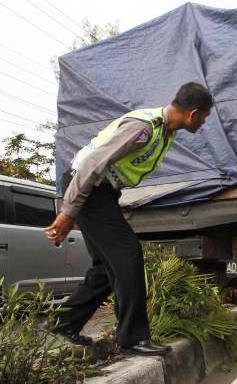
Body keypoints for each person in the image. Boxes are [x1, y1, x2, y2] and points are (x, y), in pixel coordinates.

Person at [45, 82, 213, 355]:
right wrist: (68, 212)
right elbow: (91, 165)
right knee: (128, 254)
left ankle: (64, 323)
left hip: (103, 193)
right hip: (89, 188)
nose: (204, 123)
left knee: (105, 269)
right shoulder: (145, 128)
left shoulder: (165, 131)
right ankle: (133, 339)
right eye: (204, 117)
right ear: (193, 114)